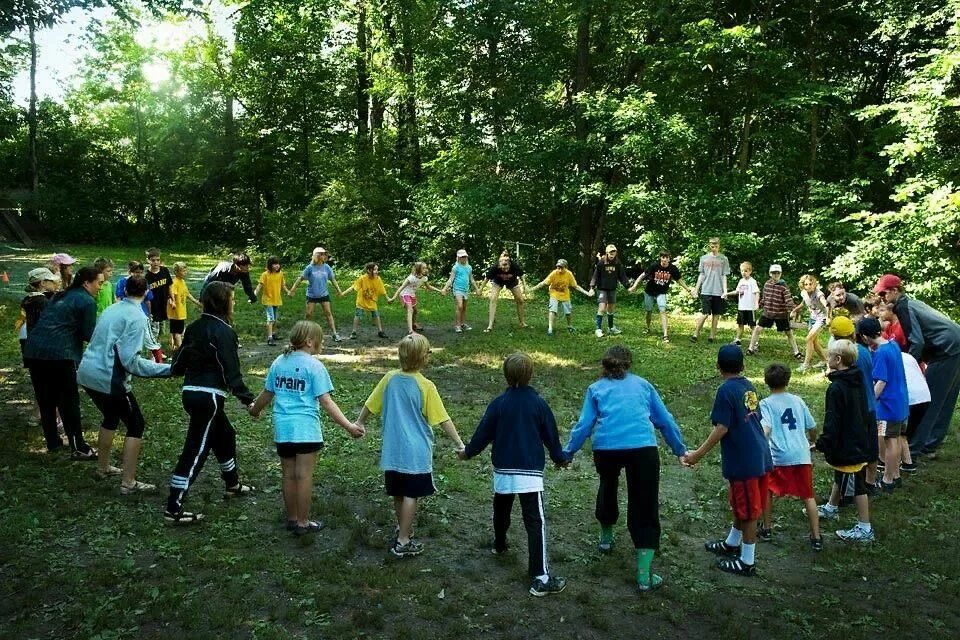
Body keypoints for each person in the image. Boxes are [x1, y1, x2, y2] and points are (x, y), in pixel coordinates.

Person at [564, 345, 688, 592]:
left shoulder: (595, 389)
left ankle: (606, 539)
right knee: (644, 504)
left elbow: (584, 425)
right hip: (643, 448)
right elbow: (665, 420)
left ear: (605, 365)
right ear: (629, 364)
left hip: (606, 448)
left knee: (607, 486)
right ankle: (644, 575)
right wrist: (680, 450)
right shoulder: (643, 385)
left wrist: (568, 452)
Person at [458, 353, 568, 596]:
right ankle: (540, 576)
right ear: (531, 375)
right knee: (534, 522)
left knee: (501, 510)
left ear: (506, 375)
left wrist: (468, 452)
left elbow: (483, 434)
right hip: (530, 472)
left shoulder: (499, 404)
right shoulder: (539, 404)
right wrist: (560, 458)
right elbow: (551, 436)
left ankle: (499, 544)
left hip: (504, 469)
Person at [248, 321, 365, 535]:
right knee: (303, 476)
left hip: (283, 429)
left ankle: (292, 518)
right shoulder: (314, 367)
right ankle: (303, 522)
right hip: (306, 430)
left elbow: (267, 393)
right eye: (320, 339)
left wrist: (254, 410)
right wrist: (349, 427)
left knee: (288, 475)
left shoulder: (279, 362)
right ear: (310, 341)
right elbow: (327, 402)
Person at [356, 333, 466, 557]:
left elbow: (370, 404)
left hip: (392, 450)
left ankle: (401, 527)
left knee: (398, 492)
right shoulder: (425, 386)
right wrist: (459, 443)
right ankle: (403, 541)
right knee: (410, 495)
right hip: (415, 453)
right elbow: (443, 419)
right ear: (423, 358)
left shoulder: (389, 378)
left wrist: (359, 422)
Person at [165, 281, 256, 525]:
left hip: (191, 394)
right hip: (209, 398)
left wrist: (175, 368)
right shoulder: (224, 332)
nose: (234, 303)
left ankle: (232, 484)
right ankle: (173, 507)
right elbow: (231, 373)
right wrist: (249, 401)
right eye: (232, 299)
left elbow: (180, 359)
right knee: (195, 450)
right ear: (222, 302)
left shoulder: (194, 328)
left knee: (225, 434)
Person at [77, 274, 172, 493]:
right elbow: (132, 363)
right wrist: (169, 370)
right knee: (136, 423)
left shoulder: (112, 308)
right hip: (107, 377)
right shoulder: (137, 317)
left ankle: (103, 468)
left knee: (111, 416)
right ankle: (128, 482)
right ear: (147, 292)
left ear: (124, 290)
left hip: (87, 372)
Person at [683, 345, 771, 577]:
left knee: (749, 510)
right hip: (759, 454)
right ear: (743, 366)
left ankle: (747, 561)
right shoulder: (748, 386)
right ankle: (732, 543)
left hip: (745, 461)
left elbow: (722, 427)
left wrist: (697, 454)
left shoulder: (725, 391)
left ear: (718, 367)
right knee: (740, 504)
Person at [876, 273, 960, 460]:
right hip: (955, 344)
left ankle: (914, 448)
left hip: (946, 349)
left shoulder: (903, 306)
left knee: (929, 400)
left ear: (895, 291)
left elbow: (917, 341)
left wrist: (906, 365)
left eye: (884, 293)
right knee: (945, 399)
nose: (881, 298)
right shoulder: (911, 302)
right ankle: (931, 443)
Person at [23, 266, 104, 457]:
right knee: (68, 401)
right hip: (60, 354)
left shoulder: (60, 295)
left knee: (45, 399)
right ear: (87, 283)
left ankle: (53, 442)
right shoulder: (87, 301)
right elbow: (88, 334)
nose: (100, 287)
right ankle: (79, 447)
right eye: (99, 283)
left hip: (34, 350)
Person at [814, 340, 875, 543]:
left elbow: (833, 420)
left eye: (829, 355)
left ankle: (865, 528)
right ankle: (832, 507)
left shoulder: (837, 388)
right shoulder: (856, 380)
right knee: (842, 474)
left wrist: (823, 442)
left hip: (849, 443)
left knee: (856, 485)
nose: (827, 358)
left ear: (837, 360)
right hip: (857, 438)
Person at [757, 364, 821, 551]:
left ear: (766, 382)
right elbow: (812, 425)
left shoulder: (766, 404)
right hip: (801, 454)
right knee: (808, 495)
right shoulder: (797, 400)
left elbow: (766, 428)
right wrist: (813, 440)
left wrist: (759, 442)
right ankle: (816, 536)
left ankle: (767, 528)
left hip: (778, 455)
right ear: (788, 380)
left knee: (768, 489)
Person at [825, 316, 879, 502]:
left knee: (851, 457)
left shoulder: (848, 363)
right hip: (870, 406)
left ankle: (851, 494)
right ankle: (868, 484)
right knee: (868, 450)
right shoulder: (863, 351)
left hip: (855, 410)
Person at [857, 316, 909, 493]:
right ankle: (895, 476)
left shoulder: (880, 353)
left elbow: (881, 381)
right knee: (894, 439)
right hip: (900, 401)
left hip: (887, 406)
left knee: (889, 441)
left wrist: (869, 401)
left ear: (864, 337)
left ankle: (887, 479)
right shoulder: (892, 345)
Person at [629, 250, 687, 343]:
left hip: (661, 292)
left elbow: (679, 280)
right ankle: (647, 327)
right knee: (649, 311)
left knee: (663, 311)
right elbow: (642, 276)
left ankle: (665, 335)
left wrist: (688, 289)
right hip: (649, 291)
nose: (664, 259)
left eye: (666, 257)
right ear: (661, 258)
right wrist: (634, 286)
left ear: (669, 259)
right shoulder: (654, 266)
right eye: (663, 257)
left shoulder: (672, 269)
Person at [746, 264, 801, 359]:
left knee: (789, 333)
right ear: (770, 274)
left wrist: (793, 309)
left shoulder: (784, 287)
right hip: (768, 313)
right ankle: (751, 348)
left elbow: (788, 300)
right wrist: (759, 304)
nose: (776, 275)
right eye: (774, 273)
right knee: (757, 329)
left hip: (781, 314)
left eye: (778, 273)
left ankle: (796, 352)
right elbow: (765, 297)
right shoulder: (767, 284)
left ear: (780, 274)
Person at [289, 247, 343, 342]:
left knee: (328, 313)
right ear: (317, 255)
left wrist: (339, 290)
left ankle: (335, 334)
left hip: (323, 294)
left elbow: (332, 279)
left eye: (325, 254)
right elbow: (300, 278)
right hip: (312, 295)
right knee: (308, 314)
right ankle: (304, 335)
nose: (324, 256)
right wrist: (292, 290)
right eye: (322, 254)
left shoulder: (327, 267)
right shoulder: (310, 268)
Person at [528, 259, 594, 336]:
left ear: (566, 267)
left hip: (565, 295)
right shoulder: (554, 273)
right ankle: (550, 329)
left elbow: (576, 286)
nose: (559, 269)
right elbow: (543, 283)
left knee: (568, 312)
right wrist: (531, 289)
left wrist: (587, 293)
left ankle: (569, 326)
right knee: (552, 310)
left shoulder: (569, 274)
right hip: (554, 293)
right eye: (558, 267)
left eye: (561, 268)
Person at [117, 261, 163, 362]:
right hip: (128, 315)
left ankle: (159, 362)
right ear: (130, 272)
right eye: (136, 272)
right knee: (128, 339)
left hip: (142, 315)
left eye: (140, 272)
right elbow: (119, 298)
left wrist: (149, 314)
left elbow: (148, 300)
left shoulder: (144, 282)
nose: (138, 274)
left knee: (149, 339)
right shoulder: (122, 282)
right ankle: (128, 362)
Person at [690, 237, 730, 343]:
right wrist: (696, 289)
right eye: (712, 246)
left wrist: (725, 291)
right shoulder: (703, 258)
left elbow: (724, 276)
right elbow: (701, 274)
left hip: (719, 291)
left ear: (719, 246)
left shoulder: (724, 259)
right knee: (705, 313)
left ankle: (712, 336)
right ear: (709, 245)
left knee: (716, 315)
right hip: (706, 290)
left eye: (716, 246)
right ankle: (695, 334)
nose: (714, 248)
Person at [590, 244, 632, 338]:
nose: (612, 254)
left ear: (616, 253)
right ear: (607, 253)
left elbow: (622, 275)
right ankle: (598, 329)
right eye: (610, 252)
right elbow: (595, 275)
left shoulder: (617, 263)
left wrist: (627, 286)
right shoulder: (601, 262)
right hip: (602, 289)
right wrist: (592, 287)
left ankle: (611, 327)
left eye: (614, 252)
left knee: (611, 308)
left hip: (612, 288)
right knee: (602, 308)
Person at [388, 262, 443, 335]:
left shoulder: (424, 278)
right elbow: (400, 288)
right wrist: (393, 298)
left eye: (426, 268)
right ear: (418, 269)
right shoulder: (411, 278)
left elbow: (429, 287)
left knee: (415, 311)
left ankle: (413, 324)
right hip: (404, 294)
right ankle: (410, 331)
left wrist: (440, 291)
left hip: (412, 295)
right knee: (410, 310)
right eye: (423, 268)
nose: (426, 270)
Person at [898, 350, 930, 475]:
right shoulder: (908, 356)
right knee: (904, 434)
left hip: (910, 399)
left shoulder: (884, 356)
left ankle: (888, 465)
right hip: (924, 396)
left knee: (895, 434)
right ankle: (908, 463)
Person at [17, 267, 59, 359]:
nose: (54, 284)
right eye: (51, 281)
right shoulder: (42, 302)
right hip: (40, 345)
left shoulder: (29, 298)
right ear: (43, 283)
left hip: (26, 337)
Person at [340, 262, 388, 340]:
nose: (376, 271)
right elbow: (353, 287)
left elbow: (383, 290)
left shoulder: (378, 279)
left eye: (377, 270)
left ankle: (380, 331)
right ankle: (354, 332)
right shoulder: (362, 278)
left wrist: (388, 299)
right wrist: (343, 293)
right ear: (369, 270)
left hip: (372, 301)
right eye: (375, 269)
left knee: (376, 314)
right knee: (358, 314)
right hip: (361, 301)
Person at [793, 274, 830, 372]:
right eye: (806, 284)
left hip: (821, 318)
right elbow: (803, 303)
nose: (808, 286)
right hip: (812, 318)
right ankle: (824, 360)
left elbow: (827, 305)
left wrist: (828, 317)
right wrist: (794, 310)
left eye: (810, 284)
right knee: (814, 341)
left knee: (809, 339)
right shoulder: (804, 293)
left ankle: (806, 365)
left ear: (814, 284)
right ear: (803, 285)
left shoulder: (819, 294)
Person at [483, 252, 527, 333]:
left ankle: (522, 323)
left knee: (520, 300)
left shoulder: (514, 266)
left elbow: (522, 275)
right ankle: (490, 325)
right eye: (503, 267)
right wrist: (480, 289)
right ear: (499, 265)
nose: (505, 269)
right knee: (493, 299)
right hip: (498, 281)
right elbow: (487, 278)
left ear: (509, 264)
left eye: (506, 266)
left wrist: (525, 287)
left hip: (512, 281)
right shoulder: (495, 267)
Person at [440, 249, 482, 333]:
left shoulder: (469, 267)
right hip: (457, 289)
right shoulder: (455, 267)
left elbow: (472, 279)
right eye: (462, 257)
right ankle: (457, 325)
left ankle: (462, 323)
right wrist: (444, 288)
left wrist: (477, 289)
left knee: (464, 308)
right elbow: (450, 280)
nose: (464, 258)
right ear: (458, 258)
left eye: (465, 257)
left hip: (466, 290)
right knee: (459, 306)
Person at [254, 256, 289, 346]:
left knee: (275, 319)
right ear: (270, 265)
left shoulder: (280, 274)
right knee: (271, 319)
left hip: (276, 299)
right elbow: (259, 286)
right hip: (268, 300)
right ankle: (269, 338)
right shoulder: (265, 274)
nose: (277, 266)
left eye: (278, 264)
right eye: (274, 264)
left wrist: (288, 292)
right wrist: (254, 294)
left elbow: (283, 285)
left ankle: (273, 334)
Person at [167, 262, 200, 351]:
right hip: (176, 312)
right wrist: (172, 303)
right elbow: (171, 295)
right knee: (178, 332)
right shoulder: (174, 282)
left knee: (174, 330)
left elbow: (187, 294)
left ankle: (175, 347)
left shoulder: (182, 282)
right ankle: (181, 349)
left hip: (181, 311)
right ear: (177, 272)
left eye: (185, 270)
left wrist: (196, 302)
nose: (185, 272)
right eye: (183, 271)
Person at [725, 262, 759, 347]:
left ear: (750, 271)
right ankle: (738, 340)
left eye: (746, 271)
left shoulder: (752, 281)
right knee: (740, 324)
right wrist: (727, 294)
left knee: (752, 326)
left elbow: (757, 292)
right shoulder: (741, 281)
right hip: (742, 307)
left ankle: (755, 342)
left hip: (750, 308)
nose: (743, 273)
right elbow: (737, 292)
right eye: (742, 271)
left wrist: (756, 303)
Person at [145, 248, 173, 351]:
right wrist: (148, 311)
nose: (156, 262)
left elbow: (169, 286)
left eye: (158, 260)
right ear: (148, 260)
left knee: (162, 331)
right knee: (154, 332)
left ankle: (158, 351)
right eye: (153, 260)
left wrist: (172, 298)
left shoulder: (164, 271)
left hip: (163, 306)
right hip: (153, 308)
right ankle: (152, 354)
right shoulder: (147, 276)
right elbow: (145, 295)